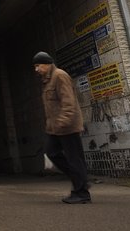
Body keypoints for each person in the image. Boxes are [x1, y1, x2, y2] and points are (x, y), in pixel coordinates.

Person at [33, 51, 91, 204]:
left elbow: (68, 102)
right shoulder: (47, 80)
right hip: (55, 128)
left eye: (38, 66)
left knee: (74, 159)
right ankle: (81, 180)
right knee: (51, 152)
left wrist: (64, 121)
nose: (36, 69)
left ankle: (82, 193)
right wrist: (51, 126)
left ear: (47, 64)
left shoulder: (60, 76)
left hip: (67, 126)